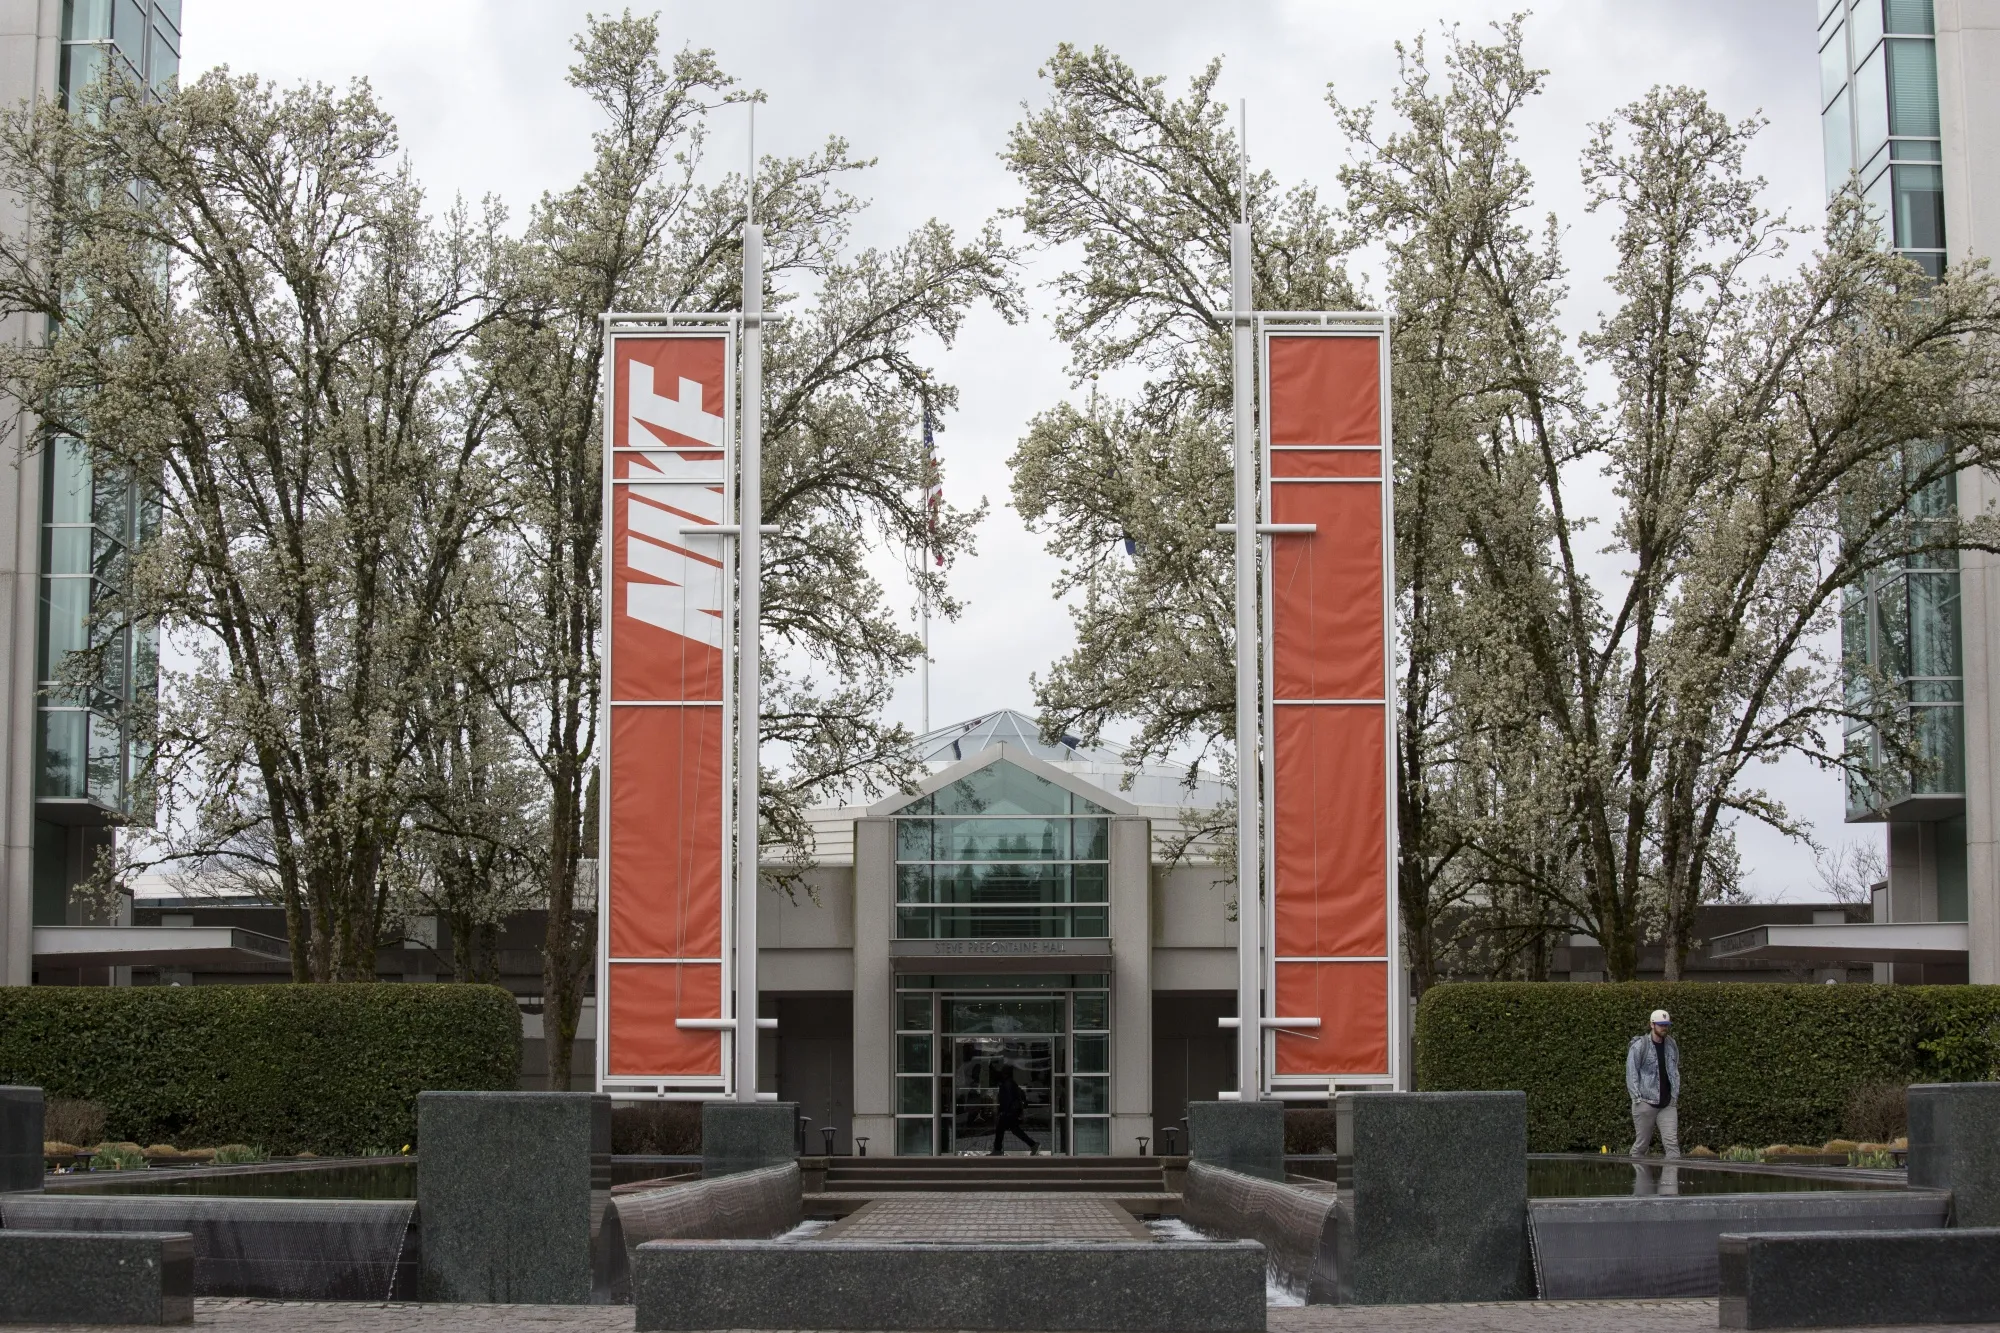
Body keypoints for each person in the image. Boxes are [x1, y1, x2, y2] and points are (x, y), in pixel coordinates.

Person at [1626, 1008, 1681, 1160]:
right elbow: (1631, 1072)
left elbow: (1674, 1069)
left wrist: (1674, 1095)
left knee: (1672, 1144)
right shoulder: (1640, 1046)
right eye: (1661, 1024)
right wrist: (1636, 1098)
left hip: (1667, 1103)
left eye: (1666, 1025)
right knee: (1642, 1145)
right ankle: (1638, 1178)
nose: (1664, 1028)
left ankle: (1671, 1183)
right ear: (1652, 1025)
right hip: (1645, 1101)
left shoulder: (1671, 1044)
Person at [990, 1064, 1039, 1156]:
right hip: (1012, 1112)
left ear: (1005, 1073)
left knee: (1001, 1130)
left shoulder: (1007, 1083)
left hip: (1008, 1112)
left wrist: (1003, 1111)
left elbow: (1007, 1099)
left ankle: (997, 1150)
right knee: (1014, 1130)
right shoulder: (1010, 1082)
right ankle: (1033, 1144)